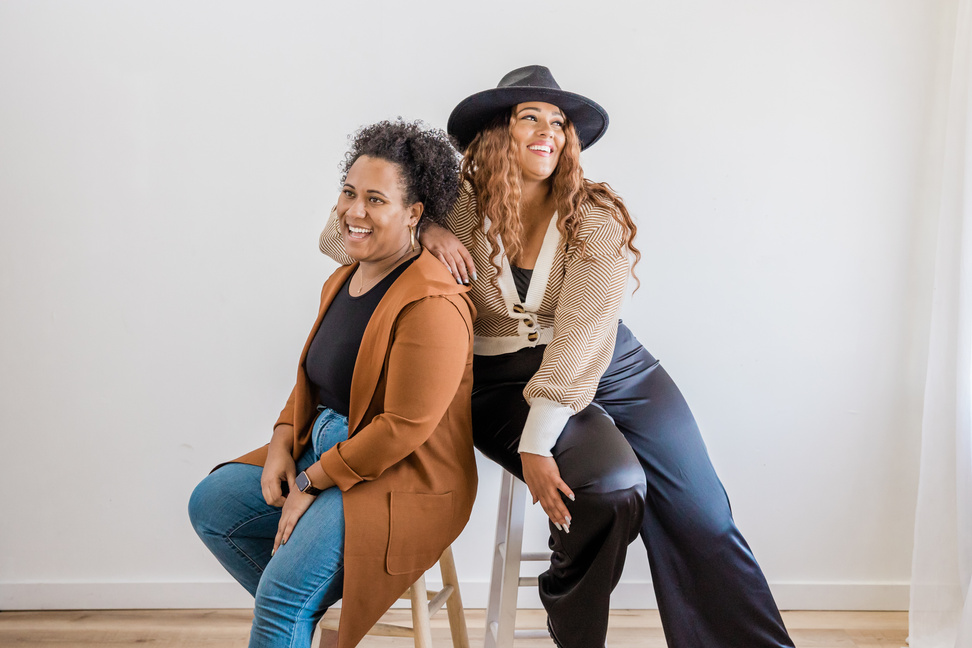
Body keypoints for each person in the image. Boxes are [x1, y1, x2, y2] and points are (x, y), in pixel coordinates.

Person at [320, 66, 795, 648]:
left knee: (704, 516)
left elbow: (581, 338)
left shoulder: (593, 215)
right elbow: (336, 239)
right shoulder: (454, 204)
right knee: (613, 487)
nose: (548, 131)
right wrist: (427, 232)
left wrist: (536, 441)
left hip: (609, 364)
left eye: (559, 122)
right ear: (498, 131)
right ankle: (572, 618)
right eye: (530, 118)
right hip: (497, 380)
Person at [188, 120, 477, 648]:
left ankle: (289, 606)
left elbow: (402, 429)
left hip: (401, 475)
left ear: (414, 214)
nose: (354, 211)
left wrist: (310, 482)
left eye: (375, 199)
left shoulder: (433, 302)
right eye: (348, 193)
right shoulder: (345, 276)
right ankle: (296, 611)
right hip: (325, 445)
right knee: (213, 505)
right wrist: (282, 441)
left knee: (282, 592)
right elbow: (313, 380)